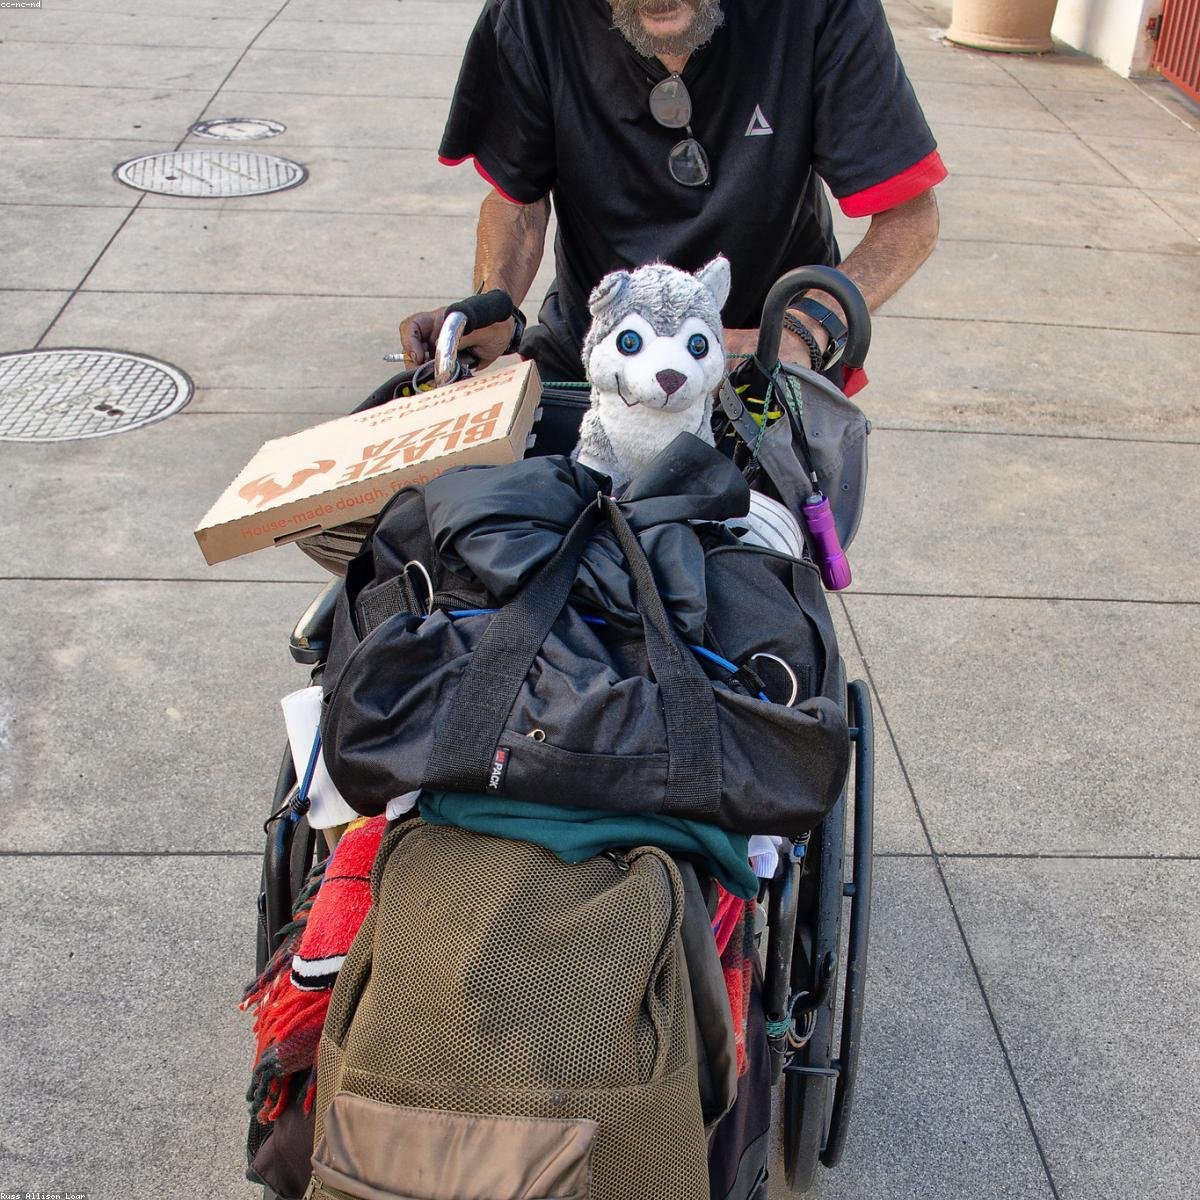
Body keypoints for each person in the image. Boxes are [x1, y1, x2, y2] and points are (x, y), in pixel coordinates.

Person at [400, 0, 945, 398]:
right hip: (597, 349)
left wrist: (802, 328)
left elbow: (909, 217)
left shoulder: (818, 10)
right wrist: (494, 305)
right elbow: (518, 202)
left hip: (760, 357)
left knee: (770, 549)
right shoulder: (533, 15)